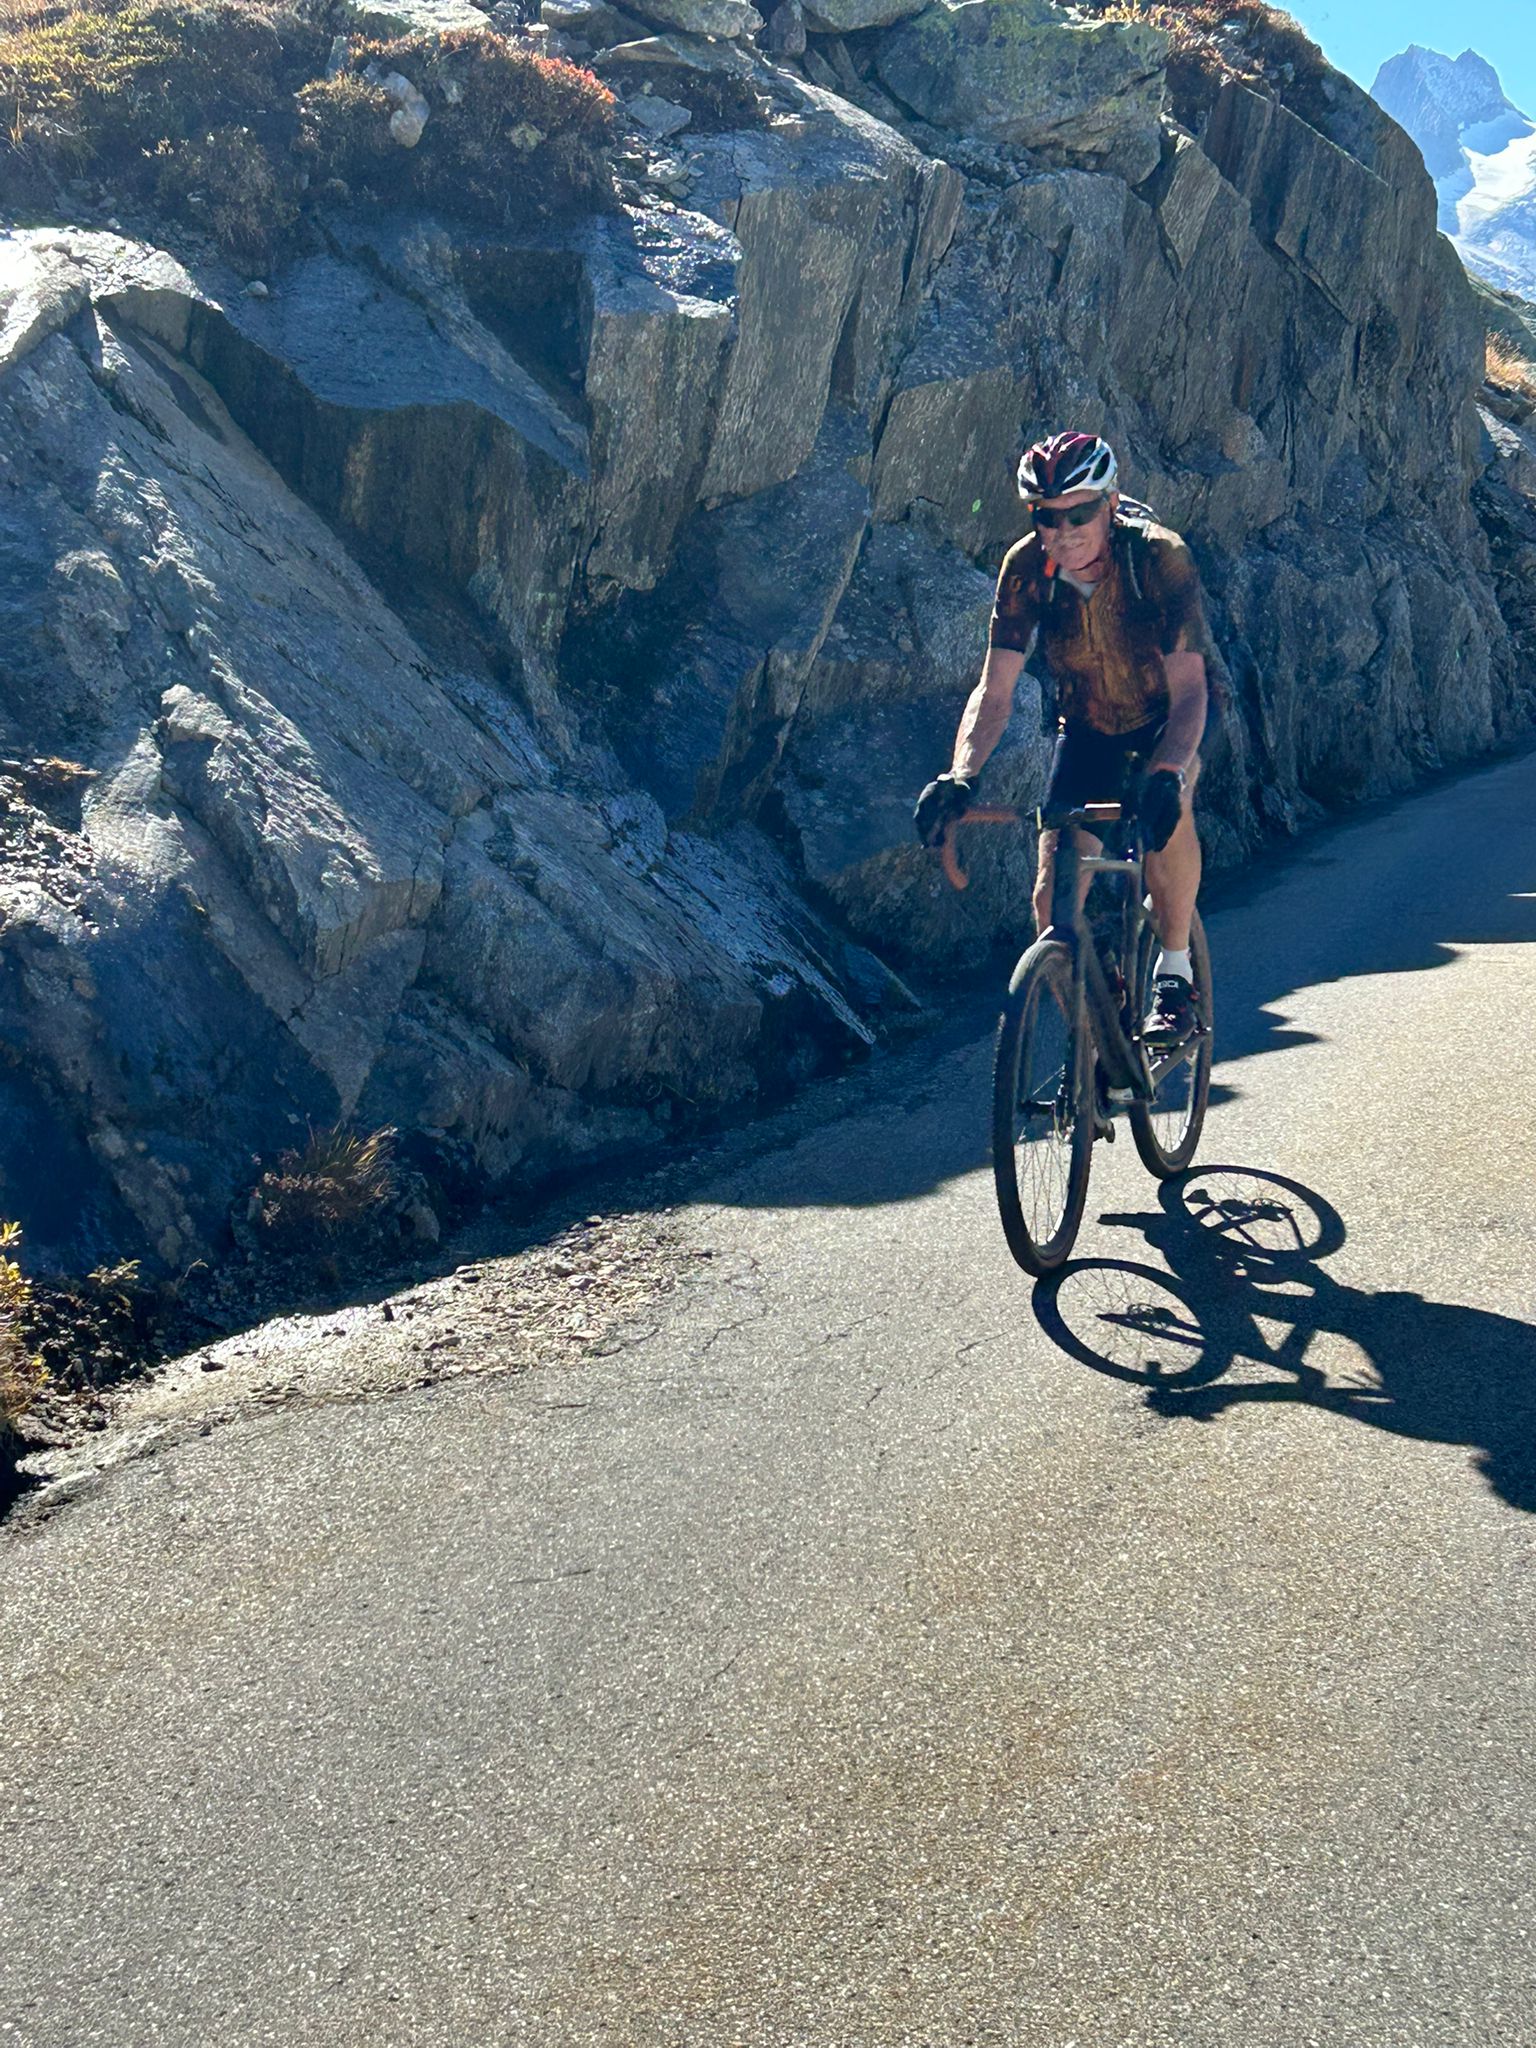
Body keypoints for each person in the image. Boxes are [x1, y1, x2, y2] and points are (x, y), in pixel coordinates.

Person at [914, 430, 1212, 1045]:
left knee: (1168, 813)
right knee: (1050, 906)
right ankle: (1099, 1044)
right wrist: (960, 775)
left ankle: (1176, 975)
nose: (1063, 531)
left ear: (1111, 504)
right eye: (1048, 517)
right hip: (1088, 729)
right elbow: (995, 690)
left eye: (1080, 514)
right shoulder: (1027, 569)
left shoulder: (1159, 559)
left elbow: (1190, 693)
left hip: (1168, 719)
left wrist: (1167, 774)